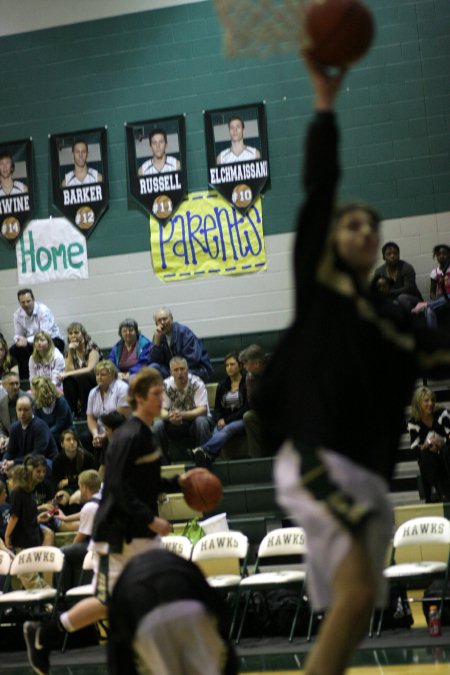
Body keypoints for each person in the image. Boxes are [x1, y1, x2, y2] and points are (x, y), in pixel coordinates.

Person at [255, 54, 450, 675]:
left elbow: (436, 351)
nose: (364, 228)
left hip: (364, 473)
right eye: (352, 223)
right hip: (313, 458)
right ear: (334, 240)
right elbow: (320, 188)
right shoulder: (322, 290)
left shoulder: (393, 322)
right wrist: (323, 103)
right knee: (360, 548)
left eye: (372, 224)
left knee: (361, 598)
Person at [24, 367, 186, 675]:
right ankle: (46, 634)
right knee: (107, 602)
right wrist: (151, 520)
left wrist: (182, 482)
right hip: (118, 535)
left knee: (152, 592)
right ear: (138, 399)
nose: (160, 398)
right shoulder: (128, 437)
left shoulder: (146, 435)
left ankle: (144, 656)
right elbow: (117, 487)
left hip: (139, 535)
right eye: (155, 394)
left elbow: (146, 485)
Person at [107, 548, 239, 675]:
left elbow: (119, 659)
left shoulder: (123, 585)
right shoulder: (181, 564)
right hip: (192, 609)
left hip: (146, 619)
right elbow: (220, 614)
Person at [191, 351, 248, 466]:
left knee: (226, 429)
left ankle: (201, 449)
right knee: (217, 431)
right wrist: (219, 419)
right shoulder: (222, 385)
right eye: (227, 365)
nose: (229, 368)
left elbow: (246, 407)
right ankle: (207, 457)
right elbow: (217, 409)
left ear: (240, 366)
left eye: (232, 364)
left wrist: (226, 421)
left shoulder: (246, 382)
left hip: (242, 419)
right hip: (224, 420)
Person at [152, 356, 213, 463]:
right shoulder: (165, 385)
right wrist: (170, 416)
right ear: (171, 372)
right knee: (157, 425)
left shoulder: (197, 383)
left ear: (187, 369)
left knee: (201, 421)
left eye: (182, 369)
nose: (180, 372)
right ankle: (162, 463)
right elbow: (161, 410)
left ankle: (203, 457)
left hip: (195, 422)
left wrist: (181, 414)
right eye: (176, 370)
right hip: (174, 422)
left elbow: (202, 410)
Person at [4, 464, 52, 591]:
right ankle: (51, 596)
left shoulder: (16, 493)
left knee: (26, 575)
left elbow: (14, 517)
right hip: (32, 538)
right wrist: (37, 519)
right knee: (30, 574)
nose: (8, 483)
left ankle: (47, 602)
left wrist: (7, 535)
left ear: (17, 479)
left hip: (23, 541)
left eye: (10, 479)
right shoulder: (29, 494)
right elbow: (29, 517)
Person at [56, 469, 102, 593]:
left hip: (95, 546)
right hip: (107, 542)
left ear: (85, 487)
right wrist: (65, 518)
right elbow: (84, 513)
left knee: (61, 553)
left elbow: (80, 537)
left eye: (80, 487)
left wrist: (70, 547)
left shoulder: (89, 507)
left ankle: (63, 594)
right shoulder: (103, 497)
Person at [407, 387, 450, 502]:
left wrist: (442, 442)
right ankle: (437, 493)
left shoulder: (442, 414)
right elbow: (415, 449)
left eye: (432, 400)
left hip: (446, 453)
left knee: (446, 451)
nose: (430, 403)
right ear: (418, 403)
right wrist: (430, 443)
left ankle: (445, 492)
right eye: (426, 401)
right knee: (424, 455)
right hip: (431, 458)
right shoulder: (413, 422)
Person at [10, 289, 64, 380]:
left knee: (39, 344)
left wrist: (26, 340)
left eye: (28, 301)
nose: (26, 304)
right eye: (23, 302)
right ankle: (25, 380)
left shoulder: (43, 310)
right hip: (31, 342)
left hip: (51, 339)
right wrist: (19, 340)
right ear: (19, 303)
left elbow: (45, 333)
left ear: (33, 300)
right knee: (14, 350)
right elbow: (18, 334)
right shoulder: (17, 315)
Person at [148, 307, 213, 381]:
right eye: (159, 320)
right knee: (153, 368)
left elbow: (193, 359)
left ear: (171, 319)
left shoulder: (184, 332)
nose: (162, 322)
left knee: (180, 373)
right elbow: (153, 361)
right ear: (156, 324)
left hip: (196, 370)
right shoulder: (158, 335)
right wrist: (156, 344)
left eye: (165, 319)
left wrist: (175, 370)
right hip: (173, 371)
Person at [2, 395, 58, 472]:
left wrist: (14, 462)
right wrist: (5, 461)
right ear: (16, 410)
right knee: (3, 467)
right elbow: (11, 451)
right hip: (25, 460)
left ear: (32, 409)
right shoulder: (14, 427)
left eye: (25, 410)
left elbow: (38, 454)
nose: (22, 413)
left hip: (47, 461)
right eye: (19, 410)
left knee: (30, 469)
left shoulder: (40, 426)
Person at [85, 361, 129, 457]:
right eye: (97, 374)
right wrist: (95, 434)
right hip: (100, 430)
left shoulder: (123, 389)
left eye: (103, 374)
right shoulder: (93, 392)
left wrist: (104, 435)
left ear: (112, 375)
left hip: (118, 428)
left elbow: (120, 419)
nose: (99, 377)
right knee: (84, 438)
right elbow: (90, 417)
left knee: (109, 440)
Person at [57, 322, 101, 417]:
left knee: (83, 377)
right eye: (70, 333)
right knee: (68, 380)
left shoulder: (92, 347)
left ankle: (86, 412)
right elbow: (69, 371)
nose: (73, 335)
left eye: (76, 332)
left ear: (83, 334)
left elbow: (90, 369)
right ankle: (73, 413)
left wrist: (66, 374)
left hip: (96, 379)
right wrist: (71, 352)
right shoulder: (69, 350)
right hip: (80, 382)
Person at [374, 241, 422, 311]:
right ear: (384, 257)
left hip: (412, 299)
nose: (392, 256)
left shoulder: (407, 268)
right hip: (391, 299)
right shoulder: (379, 271)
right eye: (389, 254)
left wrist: (389, 292)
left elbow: (408, 289)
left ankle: (410, 319)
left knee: (402, 298)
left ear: (399, 255)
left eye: (395, 253)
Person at [51, 430, 96, 504]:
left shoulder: (87, 457)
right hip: (67, 489)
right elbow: (56, 482)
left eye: (74, 439)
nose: (72, 442)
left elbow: (92, 477)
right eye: (68, 440)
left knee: (74, 499)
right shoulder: (57, 460)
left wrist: (70, 481)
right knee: (60, 500)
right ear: (62, 444)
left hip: (84, 487)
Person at [412, 245, 450, 329]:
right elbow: (432, 292)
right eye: (439, 254)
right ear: (436, 256)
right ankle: (432, 336)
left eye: (444, 253)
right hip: (441, 299)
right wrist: (434, 299)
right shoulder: (435, 272)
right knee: (429, 310)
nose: (441, 256)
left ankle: (425, 304)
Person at [240, 344, 267, 457]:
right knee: (248, 416)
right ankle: (256, 457)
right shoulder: (249, 377)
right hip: (262, 411)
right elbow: (252, 402)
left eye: (246, 363)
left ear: (256, 364)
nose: (245, 367)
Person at [31, 376, 73, 449]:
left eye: (33, 390)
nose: (32, 393)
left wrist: (44, 433)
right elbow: (38, 422)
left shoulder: (61, 402)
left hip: (64, 432)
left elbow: (59, 425)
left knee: (51, 439)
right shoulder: (37, 405)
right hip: (47, 433)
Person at [108, 318, 151, 382]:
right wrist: (117, 373)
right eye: (124, 331)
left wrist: (130, 373)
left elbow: (144, 363)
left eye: (131, 330)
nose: (128, 333)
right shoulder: (117, 347)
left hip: (138, 374)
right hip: (120, 375)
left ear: (136, 331)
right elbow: (111, 362)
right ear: (120, 333)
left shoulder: (145, 344)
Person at [0, 371, 26, 452]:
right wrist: (2, 438)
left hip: (25, 442)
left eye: (17, 383)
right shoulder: (2, 403)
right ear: (4, 385)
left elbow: (29, 426)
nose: (15, 387)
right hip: (7, 442)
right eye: (12, 384)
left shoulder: (27, 400)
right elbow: (1, 425)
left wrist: (11, 440)